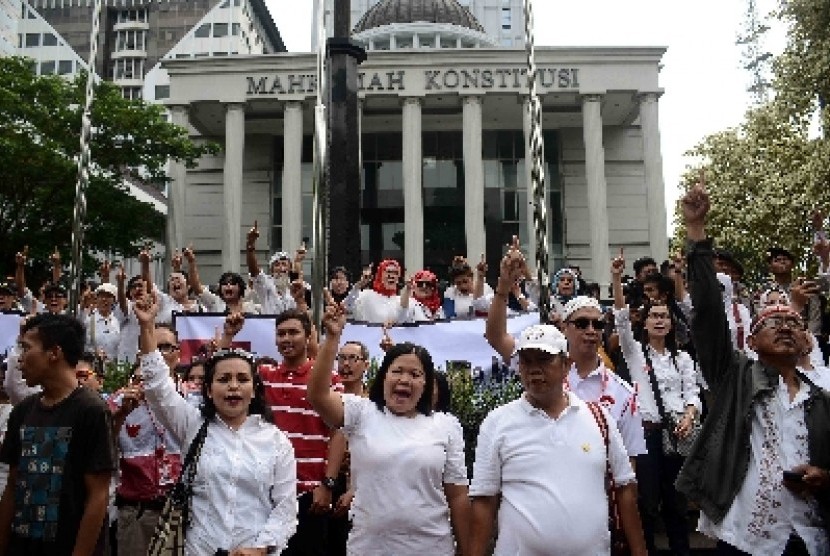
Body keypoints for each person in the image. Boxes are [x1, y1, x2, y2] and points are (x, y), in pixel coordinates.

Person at [675, 181, 830, 555]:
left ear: (806, 338)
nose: (784, 327)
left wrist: (825, 477)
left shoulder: (821, 395)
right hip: (745, 537)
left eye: (793, 323)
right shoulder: (736, 377)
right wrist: (697, 233)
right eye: (771, 323)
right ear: (752, 343)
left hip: (808, 539)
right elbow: (709, 312)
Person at [135, 297, 298, 554]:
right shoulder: (193, 424)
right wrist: (146, 327)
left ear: (254, 390)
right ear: (209, 391)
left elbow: (286, 508)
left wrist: (260, 548)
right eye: (224, 379)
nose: (233, 386)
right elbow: (157, 386)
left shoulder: (277, 441)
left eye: (242, 379)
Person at [307, 300, 470, 556]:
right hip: (369, 548)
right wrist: (332, 338)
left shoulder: (447, 425)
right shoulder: (361, 412)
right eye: (397, 371)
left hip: (432, 548)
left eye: (415, 375)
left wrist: (469, 552)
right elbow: (317, 395)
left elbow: (458, 496)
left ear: (426, 385)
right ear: (383, 377)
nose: (404, 379)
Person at [469, 323, 646, 555]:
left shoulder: (599, 417)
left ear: (566, 366)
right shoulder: (497, 422)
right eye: (526, 361)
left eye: (544, 360)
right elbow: (484, 500)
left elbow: (624, 488)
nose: (534, 369)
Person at [485, 236, 646, 460]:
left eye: (597, 324)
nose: (591, 330)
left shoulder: (623, 393)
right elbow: (496, 337)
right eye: (581, 323)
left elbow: (629, 468)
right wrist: (503, 286)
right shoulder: (541, 366)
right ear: (565, 328)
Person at [0, 313, 117, 556]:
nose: (20, 359)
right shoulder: (22, 411)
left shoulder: (91, 411)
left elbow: (97, 495)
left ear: (54, 353)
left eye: (26, 348)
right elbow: (12, 486)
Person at [611, 249, 700, 555]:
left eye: (664, 316)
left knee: (677, 505)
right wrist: (616, 278)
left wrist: (690, 416)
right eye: (654, 316)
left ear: (671, 323)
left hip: (678, 434)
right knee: (647, 504)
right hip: (646, 435)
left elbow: (693, 392)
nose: (660, 320)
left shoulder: (683, 358)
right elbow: (621, 320)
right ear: (645, 322)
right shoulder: (635, 353)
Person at [233, 308, 341, 555]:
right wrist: (229, 335)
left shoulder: (327, 379)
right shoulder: (261, 378)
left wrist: (327, 484)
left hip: (310, 495)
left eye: (293, 332)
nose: (286, 339)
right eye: (281, 333)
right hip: (266, 495)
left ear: (308, 336)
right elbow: (218, 371)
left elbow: (338, 432)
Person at [109, 321, 184, 555]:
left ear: (178, 355)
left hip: (184, 513)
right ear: (142, 354)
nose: (160, 354)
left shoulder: (194, 399)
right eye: (154, 348)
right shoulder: (118, 401)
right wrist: (120, 416)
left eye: (167, 347)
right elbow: (101, 451)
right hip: (137, 513)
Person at [352, 259, 407, 324]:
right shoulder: (366, 296)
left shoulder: (400, 301)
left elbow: (402, 320)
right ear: (380, 274)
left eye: (395, 273)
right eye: (388, 272)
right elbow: (347, 307)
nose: (392, 276)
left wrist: (408, 290)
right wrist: (359, 285)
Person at [82, 282, 120, 361]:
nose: (104, 299)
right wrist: (93, 353)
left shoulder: (117, 322)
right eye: (101, 296)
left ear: (114, 300)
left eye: (108, 296)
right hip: (91, 367)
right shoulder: (87, 319)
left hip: (113, 369)